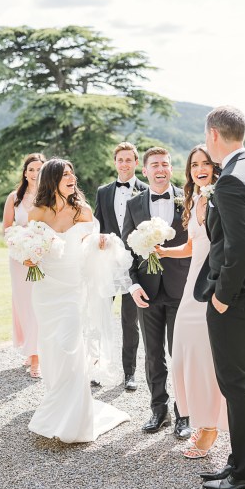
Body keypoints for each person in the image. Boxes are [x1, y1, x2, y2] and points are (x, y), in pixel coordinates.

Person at [27, 158, 130, 443]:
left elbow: (89, 246)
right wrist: (28, 255)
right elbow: (28, 252)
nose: (72, 177)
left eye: (73, 172)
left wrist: (100, 243)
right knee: (50, 346)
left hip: (72, 288)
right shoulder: (36, 212)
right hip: (46, 290)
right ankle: (56, 401)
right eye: (65, 174)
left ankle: (76, 415)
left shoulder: (82, 211)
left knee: (70, 344)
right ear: (52, 180)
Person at [194, 106, 245, 489]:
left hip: (236, 298)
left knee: (235, 382)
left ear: (213, 134)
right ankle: (237, 462)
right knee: (242, 382)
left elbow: (240, 245)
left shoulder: (230, 179)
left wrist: (222, 296)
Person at [156, 146, 227, 458]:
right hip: (190, 289)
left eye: (206, 164)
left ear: (214, 168)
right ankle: (200, 417)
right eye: (194, 164)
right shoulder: (196, 198)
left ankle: (211, 426)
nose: (200, 168)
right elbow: (192, 244)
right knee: (183, 355)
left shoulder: (221, 198)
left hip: (213, 286)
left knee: (206, 357)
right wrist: (164, 251)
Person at [122, 147, 191, 438]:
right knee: (153, 355)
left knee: (181, 355)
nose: (160, 169)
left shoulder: (187, 199)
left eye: (165, 164)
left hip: (182, 290)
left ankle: (184, 414)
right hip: (146, 291)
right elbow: (126, 252)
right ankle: (158, 410)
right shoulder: (134, 204)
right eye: (154, 165)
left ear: (171, 169)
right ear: (145, 170)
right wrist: (133, 285)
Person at [95, 142, 148, 391]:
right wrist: (99, 238)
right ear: (115, 162)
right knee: (100, 316)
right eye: (120, 160)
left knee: (130, 321)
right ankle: (99, 368)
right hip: (107, 265)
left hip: (134, 266)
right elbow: (97, 224)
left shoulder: (146, 190)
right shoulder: (103, 192)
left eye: (129, 160)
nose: (124, 164)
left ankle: (129, 373)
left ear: (136, 163)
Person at [3, 153, 46, 378]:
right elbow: (7, 228)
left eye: (39, 169)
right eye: (31, 169)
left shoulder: (50, 197)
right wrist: (20, 248)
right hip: (19, 259)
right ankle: (30, 349)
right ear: (25, 172)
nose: (35, 174)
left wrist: (40, 249)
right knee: (23, 304)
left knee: (38, 304)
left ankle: (37, 358)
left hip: (43, 258)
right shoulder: (14, 198)